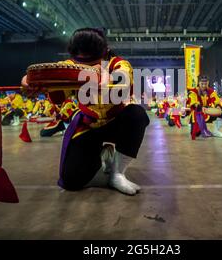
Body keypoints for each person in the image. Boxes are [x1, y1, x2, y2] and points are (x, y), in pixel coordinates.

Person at [22, 28, 150, 195]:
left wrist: (102, 76)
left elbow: (123, 80)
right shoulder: (71, 67)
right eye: (81, 61)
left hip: (115, 122)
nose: (85, 66)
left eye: (92, 61)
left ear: (105, 52)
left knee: (137, 115)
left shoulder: (118, 64)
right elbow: (50, 80)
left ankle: (117, 173)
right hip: (88, 126)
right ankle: (104, 154)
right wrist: (32, 80)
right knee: (72, 182)